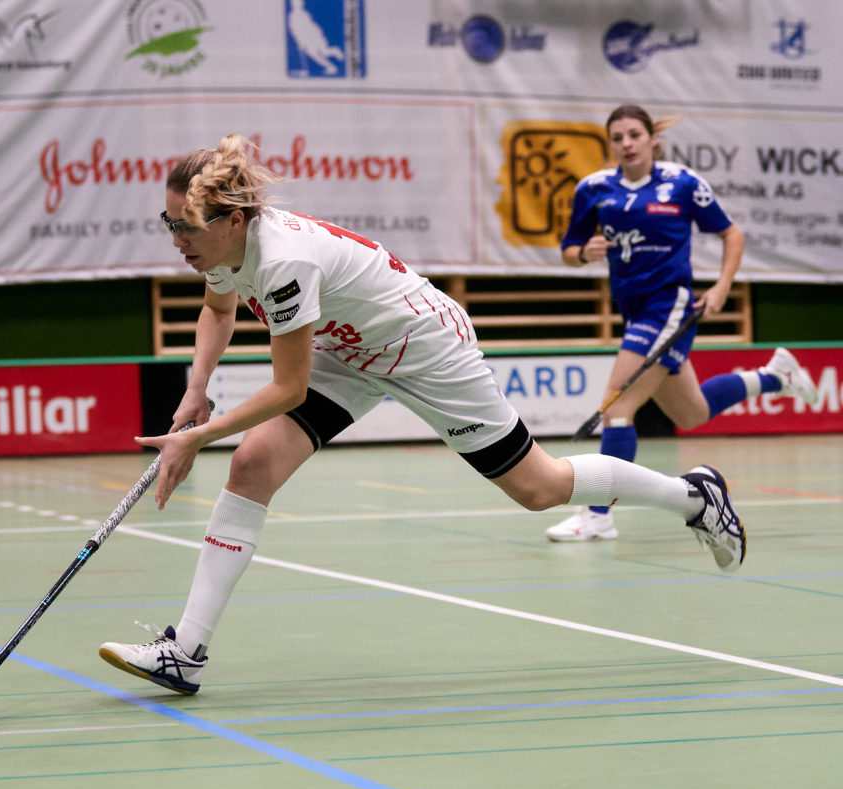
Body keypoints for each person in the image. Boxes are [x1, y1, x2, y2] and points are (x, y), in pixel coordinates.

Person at [97, 133, 746, 696]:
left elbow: (290, 388)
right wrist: (196, 388)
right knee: (253, 461)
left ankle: (694, 496)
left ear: (233, 219)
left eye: (186, 226)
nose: (177, 239)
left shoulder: (284, 261)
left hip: (423, 346)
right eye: (170, 223)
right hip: (350, 349)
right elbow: (217, 310)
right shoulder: (221, 251)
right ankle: (187, 650)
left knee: (538, 487)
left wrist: (199, 437)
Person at [544, 104, 818, 543]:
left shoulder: (682, 184)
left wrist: (723, 286)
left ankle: (598, 515)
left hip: (669, 305)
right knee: (691, 413)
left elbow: (732, 234)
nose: (627, 144)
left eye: (635, 134)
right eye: (618, 138)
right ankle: (774, 376)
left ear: (652, 138)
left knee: (617, 410)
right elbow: (569, 248)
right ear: (610, 144)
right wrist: (582, 254)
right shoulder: (593, 189)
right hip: (632, 308)